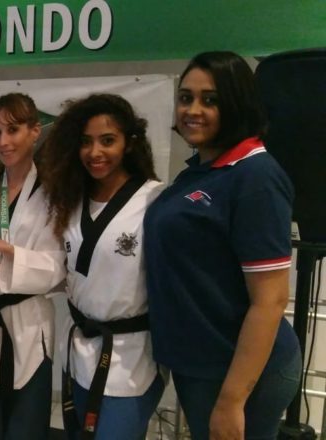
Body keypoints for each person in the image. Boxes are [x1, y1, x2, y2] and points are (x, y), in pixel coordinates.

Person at [144, 51, 301, 440]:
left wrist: (232, 401)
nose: (192, 110)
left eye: (210, 100)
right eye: (186, 97)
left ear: (236, 103)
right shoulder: (202, 170)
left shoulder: (256, 177)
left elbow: (271, 300)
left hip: (238, 372)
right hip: (201, 365)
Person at [39, 94, 164, 439]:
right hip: (78, 351)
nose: (95, 152)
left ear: (129, 143)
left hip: (130, 359)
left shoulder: (154, 200)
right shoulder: (72, 199)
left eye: (108, 141)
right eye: (86, 142)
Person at [0, 93, 65, 439]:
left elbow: (56, 267)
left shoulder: (54, 195)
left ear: (35, 131)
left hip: (28, 326)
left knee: (24, 427)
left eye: (13, 130)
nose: (3, 141)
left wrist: (4, 247)